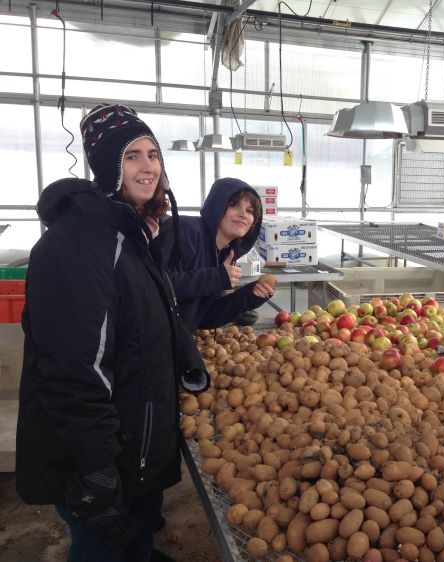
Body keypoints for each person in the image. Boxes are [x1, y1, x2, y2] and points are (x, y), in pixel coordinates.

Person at [16, 103, 208, 562]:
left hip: (133, 445)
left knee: (136, 537)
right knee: (99, 548)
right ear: (106, 165)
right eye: (132, 156)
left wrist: (187, 359)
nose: (148, 168)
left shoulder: (130, 230)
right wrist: (98, 469)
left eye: (153, 154)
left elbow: (154, 308)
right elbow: (73, 367)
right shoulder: (80, 244)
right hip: (98, 456)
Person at [157, 177, 274, 331]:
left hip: (177, 341)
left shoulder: (223, 255)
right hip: (148, 340)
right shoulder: (185, 231)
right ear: (216, 207)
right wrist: (216, 277)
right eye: (234, 205)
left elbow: (206, 317)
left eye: (250, 210)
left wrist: (248, 296)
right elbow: (158, 286)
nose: (243, 214)